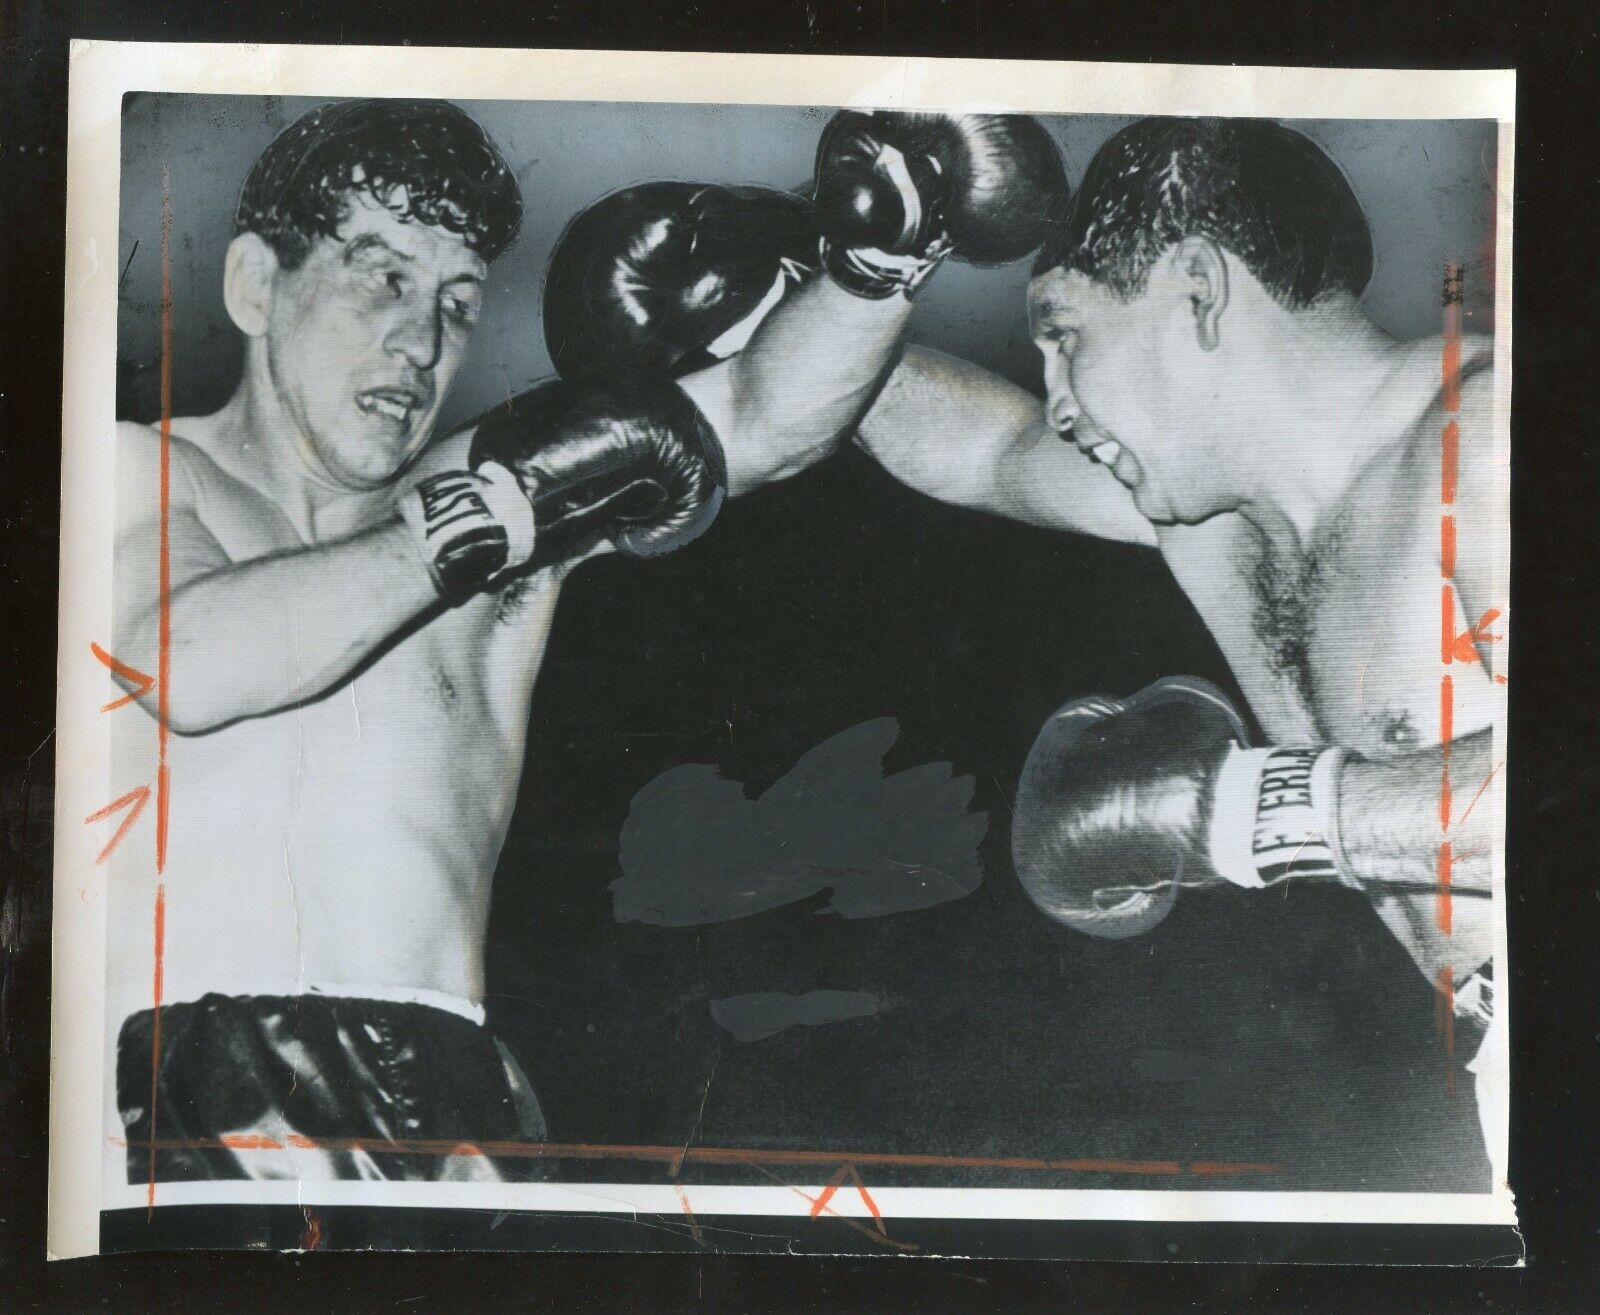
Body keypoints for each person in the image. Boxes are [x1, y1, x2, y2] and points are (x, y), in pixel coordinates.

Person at [107, 98, 1062, 1185]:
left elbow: (759, 414)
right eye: (382, 277)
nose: (421, 341)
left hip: (455, 1096)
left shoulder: (485, 473)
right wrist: (494, 515)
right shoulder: (140, 470)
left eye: (457, 302)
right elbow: (185, 663)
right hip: (197, 1087)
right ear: (253, 285)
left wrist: (878, 262)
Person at [830, 116, 1507, 1185]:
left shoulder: (1492, 439)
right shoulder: (1217, 521)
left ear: (1195, 288)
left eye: (1064, 338)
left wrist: (1253, 814)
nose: (1055, 403)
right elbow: (979, 448)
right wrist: (816, 297)